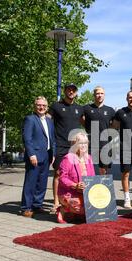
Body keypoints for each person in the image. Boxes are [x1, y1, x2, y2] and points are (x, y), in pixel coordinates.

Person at [49, 83, 84, 212]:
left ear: (76, 92)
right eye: (68, 89)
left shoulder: (80, 108)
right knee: (58, 173)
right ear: (65, 91)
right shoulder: (56, 106)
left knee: (76, 173)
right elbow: (47, 120)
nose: (71, 92)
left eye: (73, 90)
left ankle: (71, 199)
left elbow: (85, 123)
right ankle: (56, 203)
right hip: (60, 144)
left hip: (75, 147)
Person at [21, 96, 56, 218]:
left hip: (47, 156)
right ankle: (26, 208)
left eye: (44, 106)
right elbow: (27, 139)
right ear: (34, 106)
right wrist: (31, 154)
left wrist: (54, 154)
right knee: (30, 182)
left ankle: (37, 205)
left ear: (47, 107)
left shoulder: (49, 121)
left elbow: (53, 140)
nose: (41, 107)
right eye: (39, 105)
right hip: (34, 156)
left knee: (42, 182)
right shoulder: (30, 119)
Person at [57, 131, 95, 224]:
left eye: (85, 143)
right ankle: (63, 209)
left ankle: (74, 214)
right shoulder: (68, 158)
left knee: (97, 205)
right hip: (69, 192)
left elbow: (93, 177)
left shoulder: (89, 158)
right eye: (80, 143)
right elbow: (62, 178)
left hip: (85, 192)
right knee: (79, 206)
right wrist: (75, 185)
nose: (84, 146)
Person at [82, 86, 116, 175]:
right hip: (90, 143)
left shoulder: (110, 110)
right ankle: (87, 187)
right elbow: (81, 120)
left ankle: (102, 187)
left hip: (105, 143)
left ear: (104, 95)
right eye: (97, 93)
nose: (99, 95)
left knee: (103, 169)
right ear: (94, 95)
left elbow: (115, 124)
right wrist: (86, 127)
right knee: (87, 167)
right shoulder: (86, 108)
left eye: (101, 93)